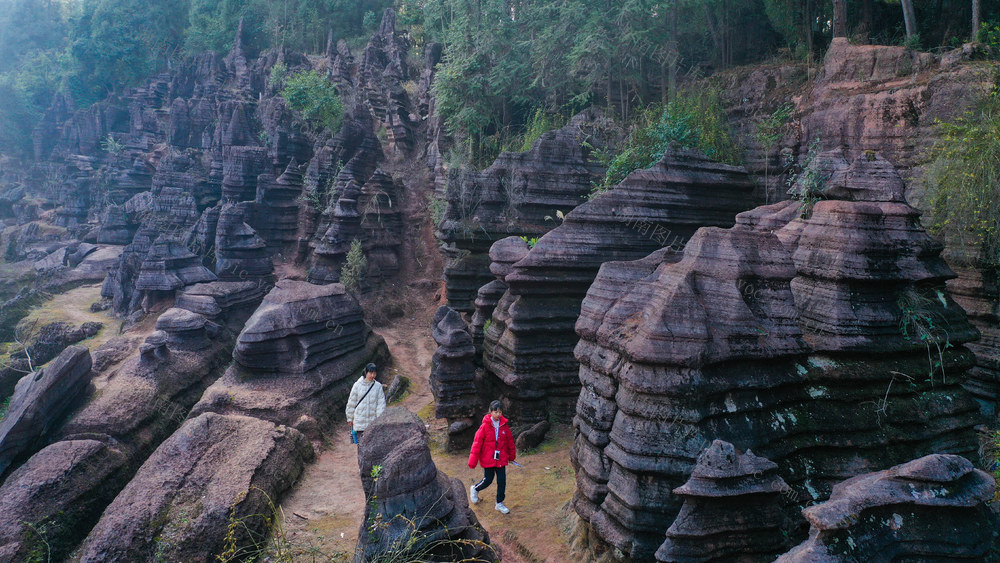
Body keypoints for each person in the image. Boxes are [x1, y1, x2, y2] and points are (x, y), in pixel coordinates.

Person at [468, 400, 517, 514]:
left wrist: (511, 456)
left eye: (500, 412)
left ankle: (499, 503)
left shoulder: (504, 425)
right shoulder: (484, 426)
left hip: (501, 458)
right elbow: (477, 443)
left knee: (502, 481)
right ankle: (475, 489)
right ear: (490, 412)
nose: (498, 414)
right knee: (488, 480)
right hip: (488, 458)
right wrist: (472, 462)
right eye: (495, 412)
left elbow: (510, 442)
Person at [345, 363, 386, 446]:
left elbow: (381, 405)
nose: (373, 375)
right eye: (371, 373)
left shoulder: (378, 386)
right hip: (360, 422)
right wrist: (350, 418)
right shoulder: (357, 385)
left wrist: (379, 420)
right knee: (361, 446)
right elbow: (351, 403)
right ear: (366, 372)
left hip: (372, 423)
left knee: (372, 447)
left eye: (374, 373)